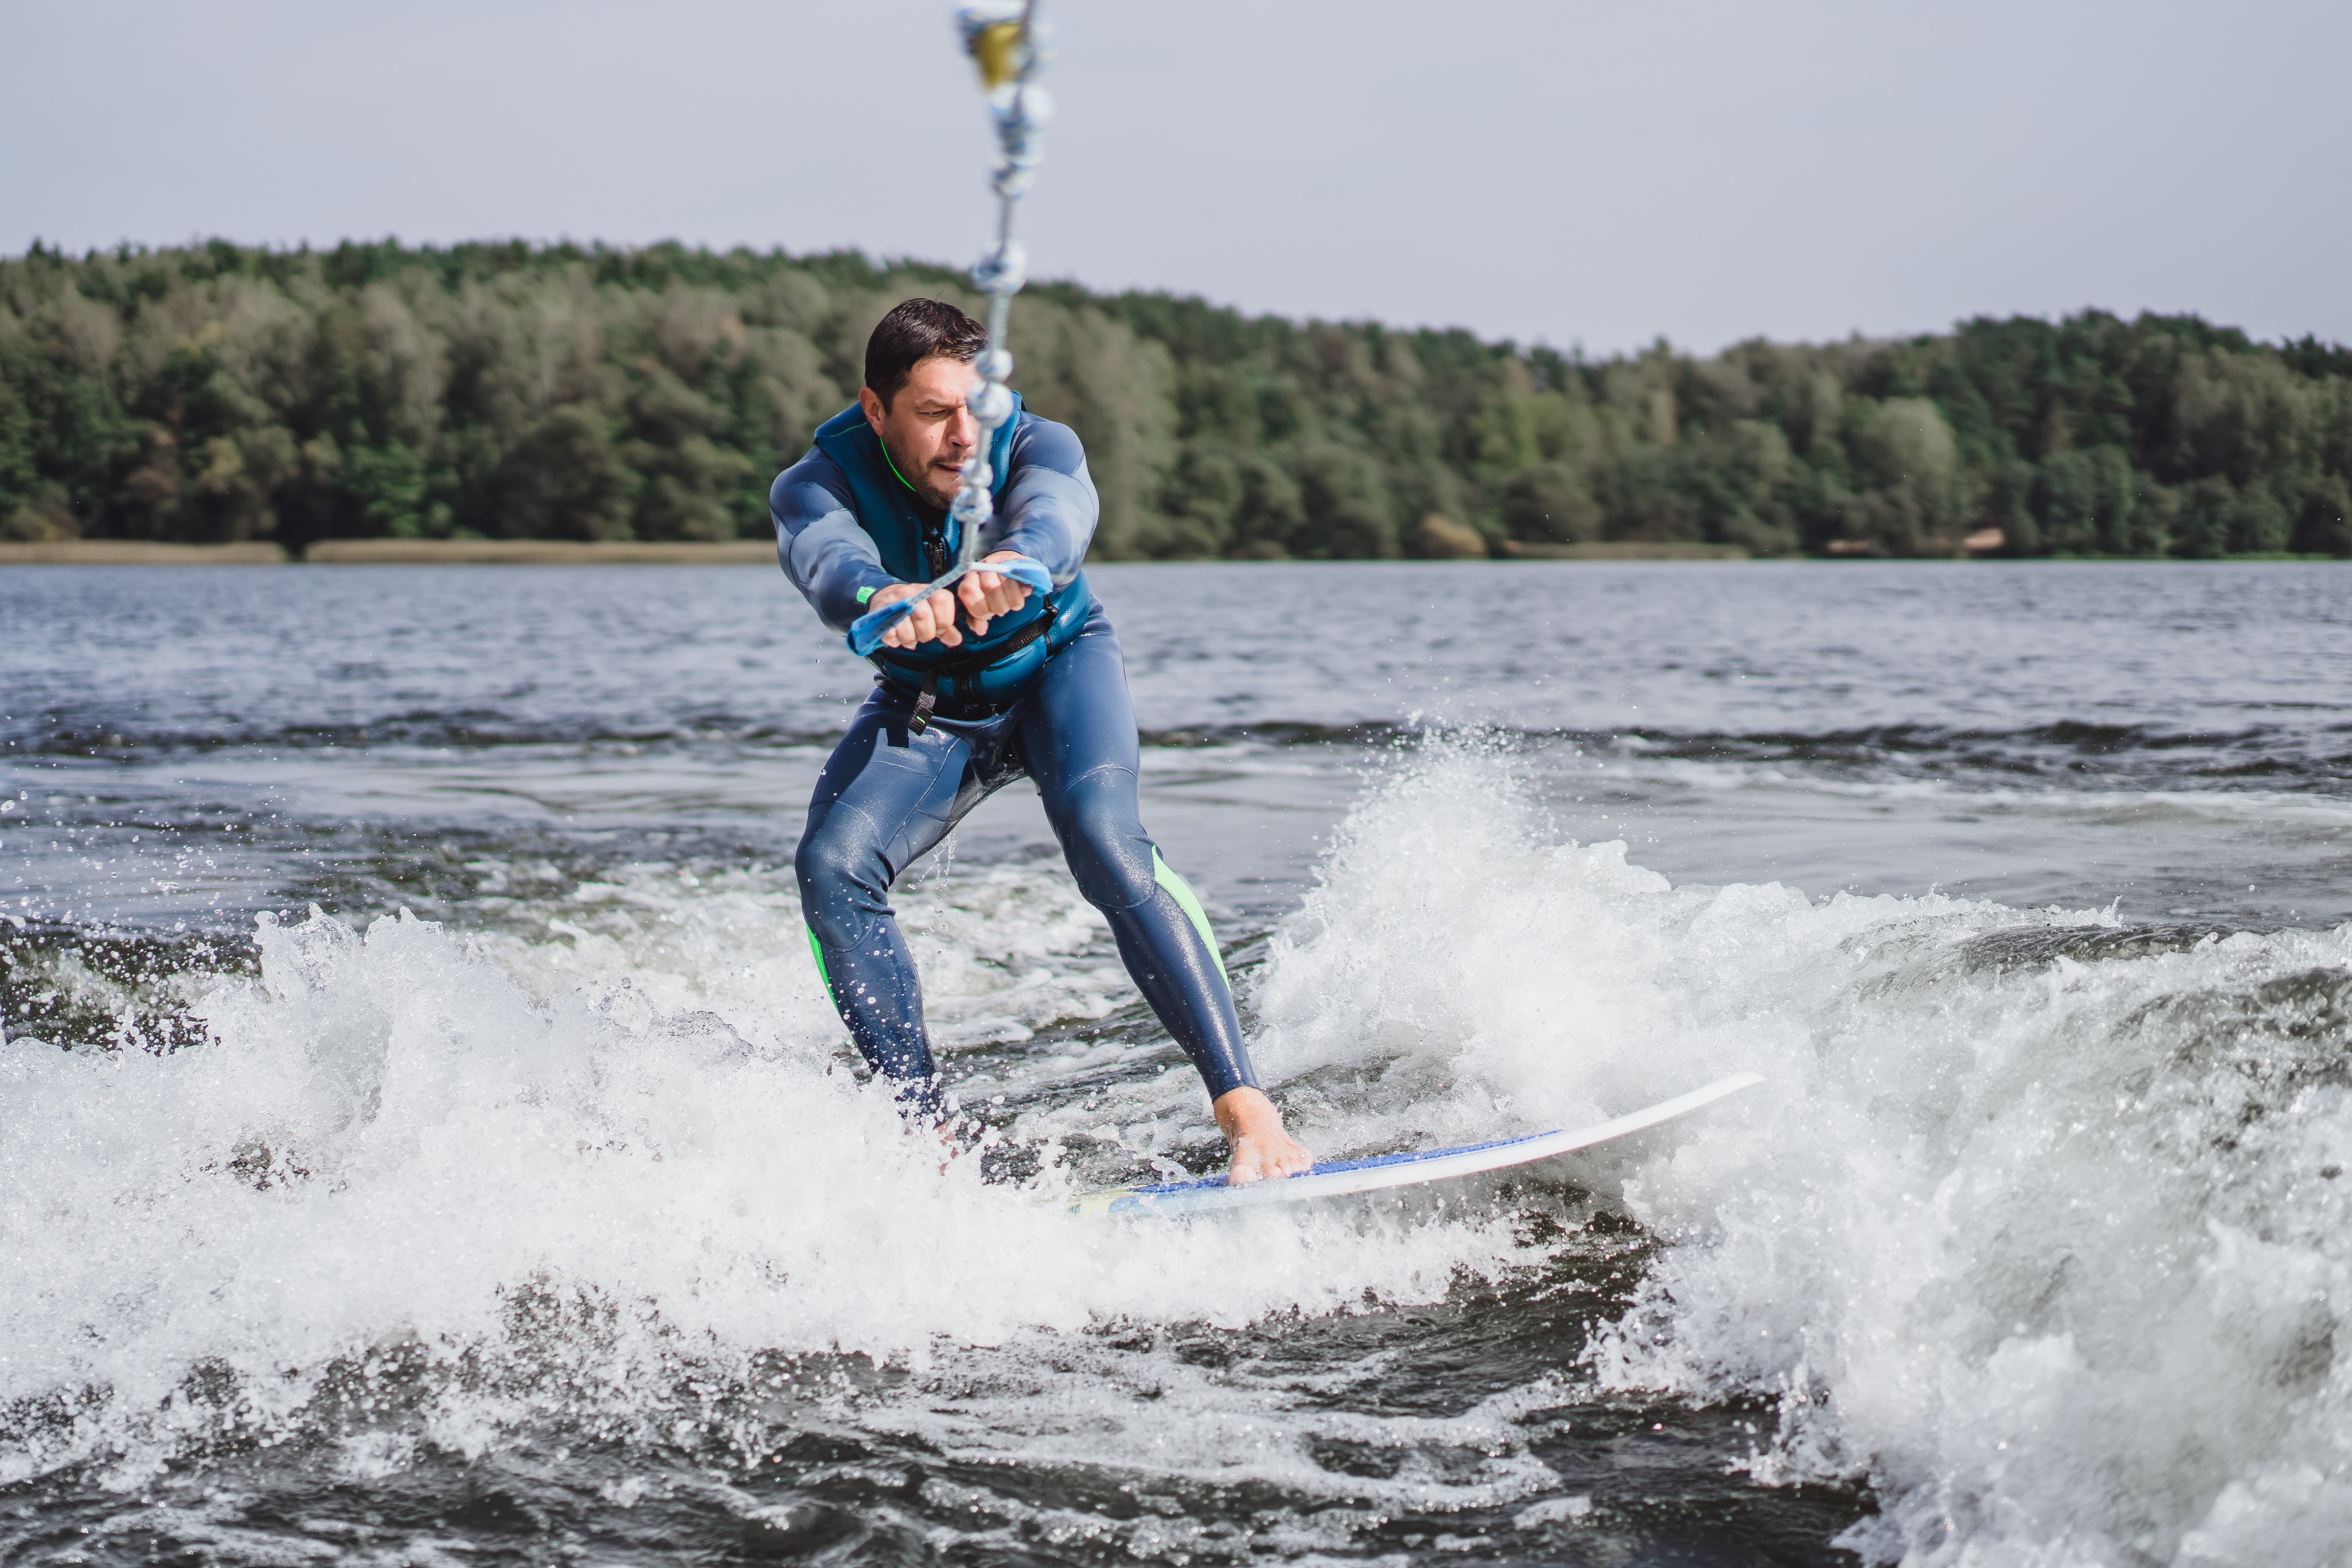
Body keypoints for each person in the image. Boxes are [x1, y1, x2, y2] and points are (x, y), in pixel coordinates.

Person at [769, 298, 1312, 1184]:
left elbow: (1059, 513)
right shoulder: (815, 481)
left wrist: (1017, 562)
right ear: (876, 411)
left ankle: (1247, 1110)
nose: (962, 438)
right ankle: (925, 1135)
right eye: (934, 413)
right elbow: (825, 558)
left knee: (1104, 838)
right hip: (933, 706)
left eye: (973, 412)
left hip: (1059, 668)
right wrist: (882, 598)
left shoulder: (1038, 442)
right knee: (832, 866)